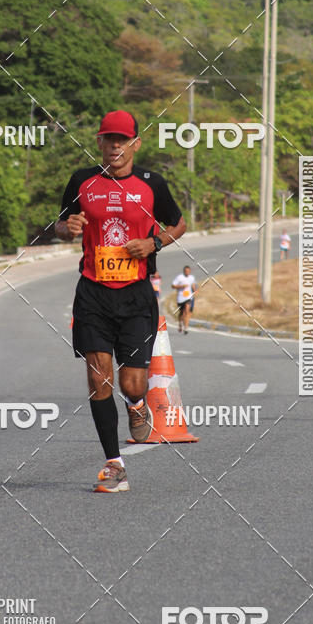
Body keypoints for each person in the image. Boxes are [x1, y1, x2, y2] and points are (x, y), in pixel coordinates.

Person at [55, 110, 186, 493]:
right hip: (93, 293)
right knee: (98, 378)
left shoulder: (151, 184)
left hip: (136, 295)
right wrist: (69, 228)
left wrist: (154, 243)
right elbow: (62, 223)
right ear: (99, 142)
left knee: (131, 383)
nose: (116, 146)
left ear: (135, 144)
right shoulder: (82, 180)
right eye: (109, 139)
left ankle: (137, 404)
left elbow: (178, 222)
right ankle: (115, 465)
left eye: (122, 140)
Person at [172, 265, 196, 334]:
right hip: (180, 298)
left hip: (188, 297)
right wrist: (181, 286)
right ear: (184, 271)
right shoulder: (179, 278)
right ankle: (180, 324)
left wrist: (195, 291)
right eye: (186, 271)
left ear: (190, 271)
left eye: (188, 271)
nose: (187, 272)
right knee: (181, 313)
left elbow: (193, 285)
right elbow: (173, 285)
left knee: (187, 311)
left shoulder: (191, 278)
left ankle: (186, 327)